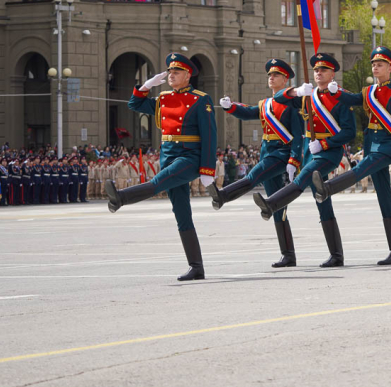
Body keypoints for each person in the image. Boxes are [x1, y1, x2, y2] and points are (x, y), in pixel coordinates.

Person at [106, 52, 217, 281]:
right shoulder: (164, 99)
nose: (171, 75)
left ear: (187, 75)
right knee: (182, 213)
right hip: (168, 155)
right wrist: (146, 86)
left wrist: (207, 169)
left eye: (176, 72)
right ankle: (196, 267)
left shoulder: (200, 99)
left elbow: (209, 136)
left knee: (158, 183)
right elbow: (134, 104)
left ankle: (121, 198)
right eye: (169, 72)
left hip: (189, 157)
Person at [311, 47, 391, 265]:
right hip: (372, 145)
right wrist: (336, 92)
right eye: (374, 64)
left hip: (387, 147)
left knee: (360, 170)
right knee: (383, 198)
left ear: (390, 68)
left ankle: (327, 188)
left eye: (380, 64)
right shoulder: (368, 92)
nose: (376, 67)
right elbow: (354, 99)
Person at [254, 53, 356, 268]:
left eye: (324, 70)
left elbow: (349, 132)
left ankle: (272, 203)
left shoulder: (340, 97)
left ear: (332, 74)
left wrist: (325, 143)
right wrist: (297, 91)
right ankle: (336, 255)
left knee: (303, 177)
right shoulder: (307, 96)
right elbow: (280, 98)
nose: (319, 73)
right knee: (322, 200)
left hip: (328, 152)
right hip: (310, 152)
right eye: (316, 70)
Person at [210, 58, 303, 267]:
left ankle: (223, 195)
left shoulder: (292, 104)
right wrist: (230, 107)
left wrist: (294, 160)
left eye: (276, 75)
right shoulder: (265, 104)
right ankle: (288, 255)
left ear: (286, 79)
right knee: (278, 204)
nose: (271, 78)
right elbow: (248, 113)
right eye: (269, 75)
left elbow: (298, 135)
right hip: (267, 152)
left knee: (253, 176)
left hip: (281, 154)